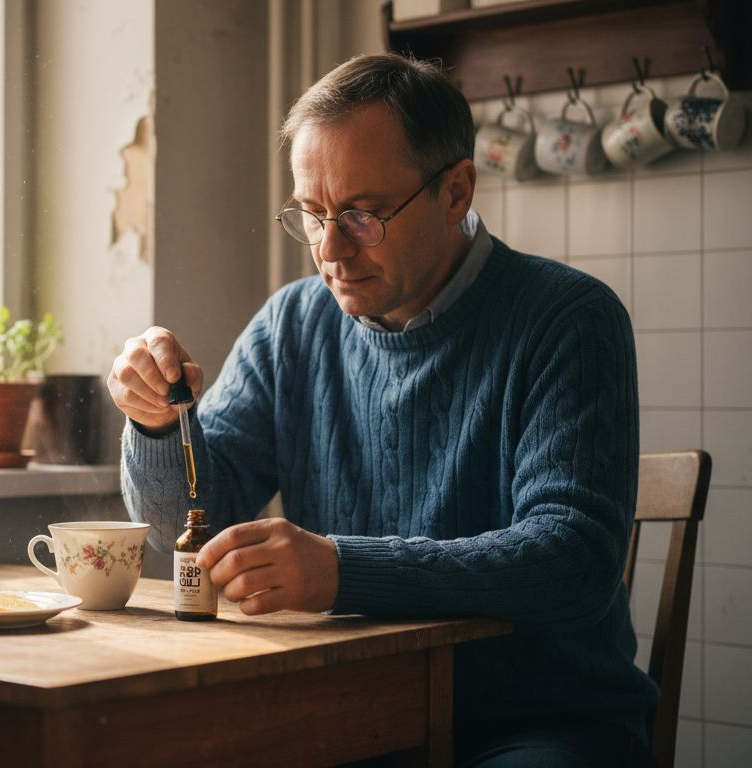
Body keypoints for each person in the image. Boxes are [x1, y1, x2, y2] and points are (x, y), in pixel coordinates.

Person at [108, 53, 656, 767]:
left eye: (363, 215)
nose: (330, 249)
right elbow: (184, 527)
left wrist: (342, 570)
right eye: (312, 214)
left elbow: (574, 561)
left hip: (542, 720)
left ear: (456, 191)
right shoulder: (292, 325)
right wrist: (155, 423)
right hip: (351, 713)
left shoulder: (569, 320)